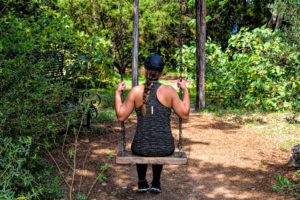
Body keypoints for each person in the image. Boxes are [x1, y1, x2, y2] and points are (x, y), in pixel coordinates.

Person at [115, 54, 190, 193]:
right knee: (158, 141)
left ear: (145, 70)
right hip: (165, 148)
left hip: (140, 148)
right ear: (161, 73)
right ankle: (156, 182)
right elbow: (184, 114)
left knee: (143, 142)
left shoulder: (136, 91)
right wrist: (185, 90)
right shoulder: (169, 91)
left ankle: (142, 182)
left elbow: (121, 116)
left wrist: (118, 93)